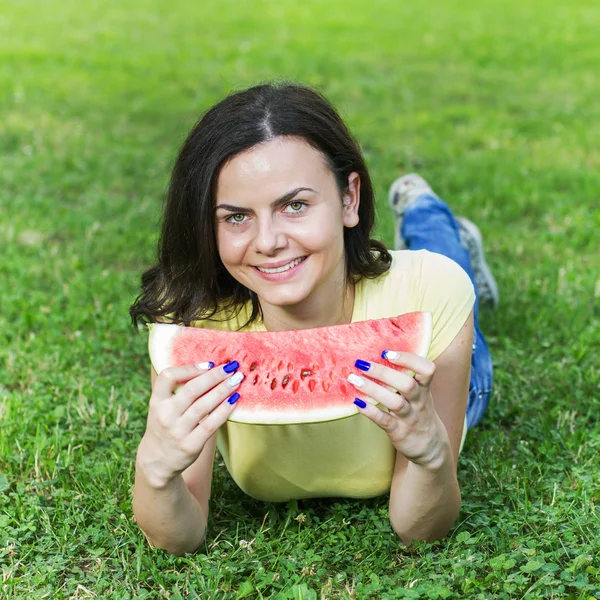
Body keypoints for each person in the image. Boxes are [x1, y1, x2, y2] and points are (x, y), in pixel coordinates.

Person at [129, 82, 498, 556]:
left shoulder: (428, 296)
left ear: (349, 200)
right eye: (237, 217)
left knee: (450, 264)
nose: (268, 242)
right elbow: (178, 539)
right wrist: (155, 470)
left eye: (295, 205)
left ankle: (428, 210)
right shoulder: (193, 323)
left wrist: (429, 453)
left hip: (447, 364)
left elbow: (419, 531)